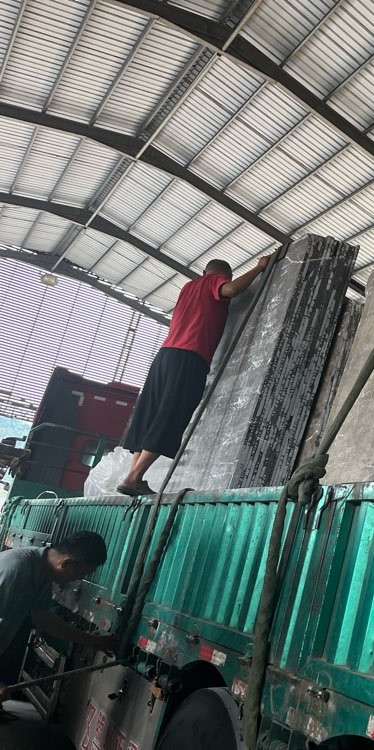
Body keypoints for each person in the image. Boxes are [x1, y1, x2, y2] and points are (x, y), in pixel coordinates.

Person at [117, 255, 271, 496]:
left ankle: (133, 475)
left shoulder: (188, 287)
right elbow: (231, 290)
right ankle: (133, 478)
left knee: (150, 414)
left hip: (164, 355)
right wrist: (259, 268)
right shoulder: (213, 282)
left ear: (203, 271)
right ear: (223, 275)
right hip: (190, 357)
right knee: (172, 414)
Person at [0, 532, 116, 702]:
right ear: (67, 563)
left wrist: (92, 640)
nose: (78, 580)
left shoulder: (40, 571)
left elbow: (43, 618)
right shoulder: (17, 571)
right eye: (81, 574)